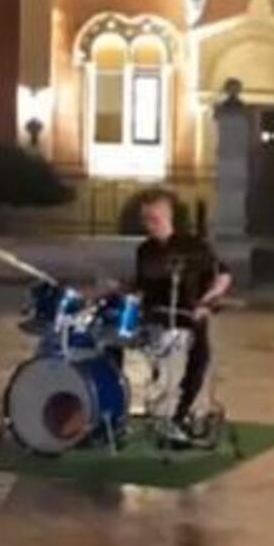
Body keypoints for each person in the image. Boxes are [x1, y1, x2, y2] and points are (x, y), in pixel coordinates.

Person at [107, 188, 232, 443]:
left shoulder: (194, 247)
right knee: (110, 340)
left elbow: (223, 275)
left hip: (188, 317)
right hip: (153, 318)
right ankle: (113, 408)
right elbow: (143, 287)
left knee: (200, 355)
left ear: (168, 217)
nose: (148, 225)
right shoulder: (145, 250)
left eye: (153, 219)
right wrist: (123, 289)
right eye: (145, 220)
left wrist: (207, 303)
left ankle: (181, 414)